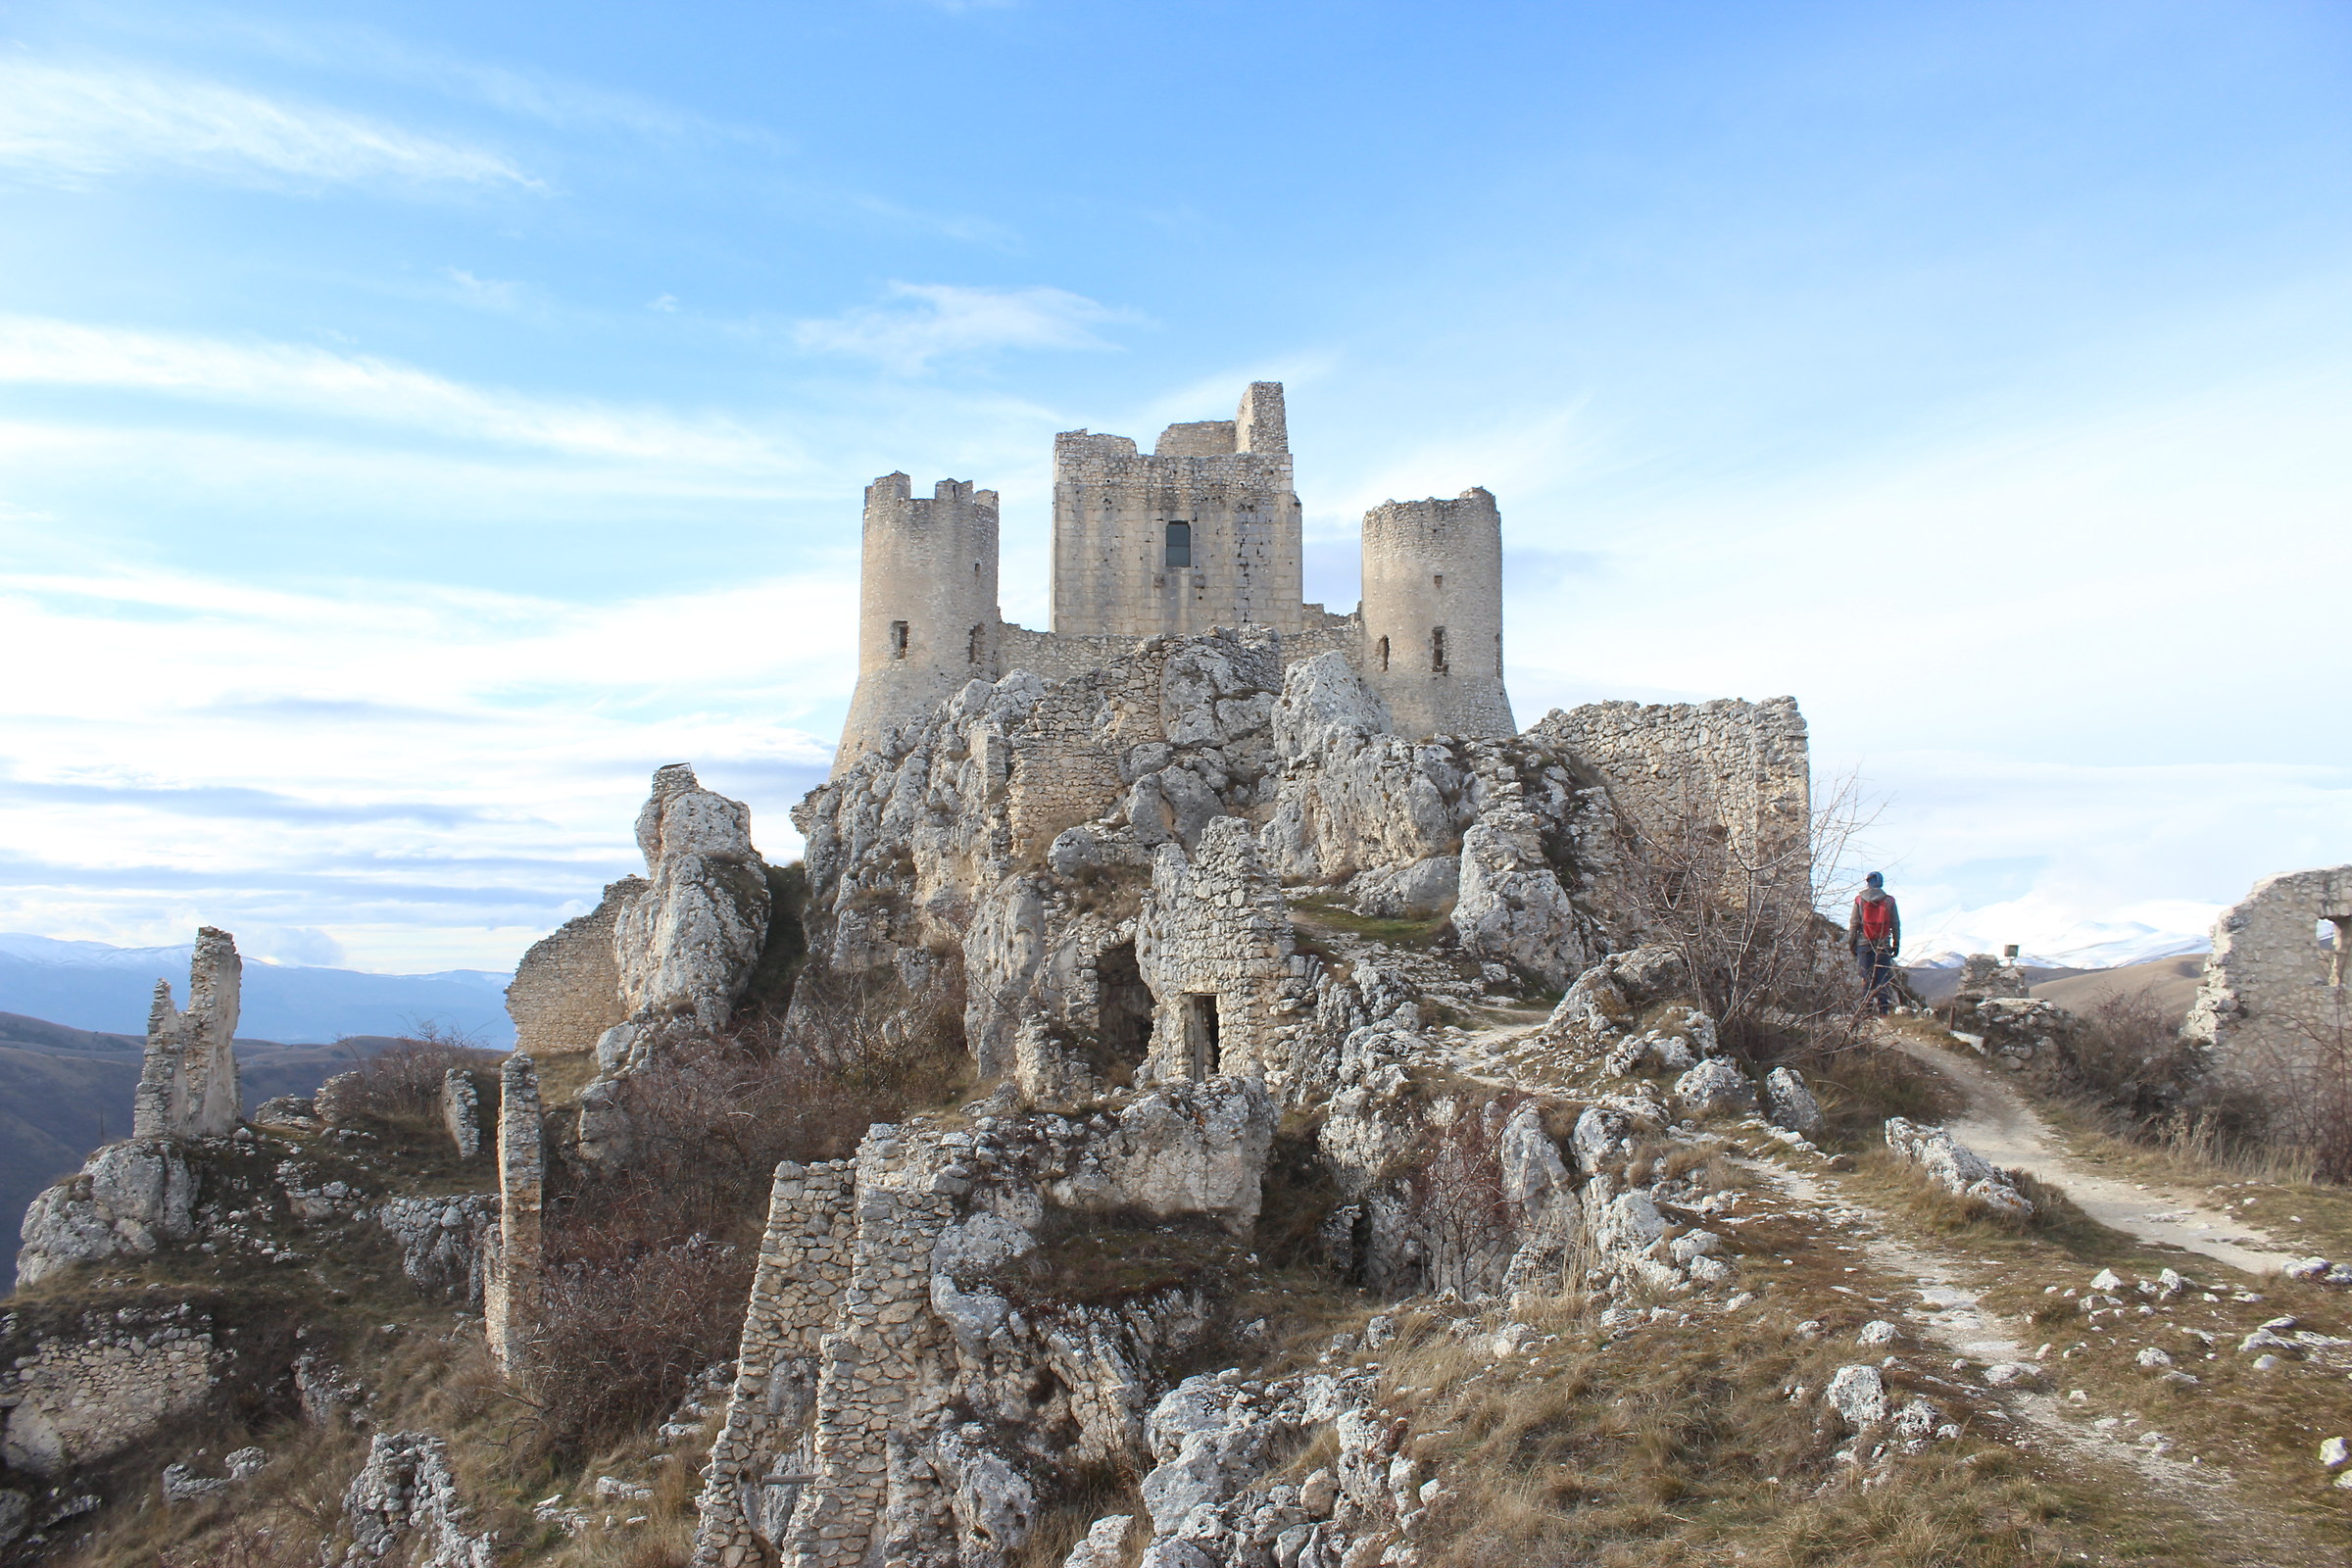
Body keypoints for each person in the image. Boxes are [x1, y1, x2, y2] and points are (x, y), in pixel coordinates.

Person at [1849, 871, 1901, 1014]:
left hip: (1864, 944)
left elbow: (1854, 924)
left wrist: (1852, 944)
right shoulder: (1889, 901)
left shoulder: (1859, 900)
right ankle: (1883, 1011)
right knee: (1882, 978)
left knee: (1866, 977)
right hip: (1883, 944)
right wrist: (1896, 944)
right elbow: (1895, 924)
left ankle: (1865, 1010)